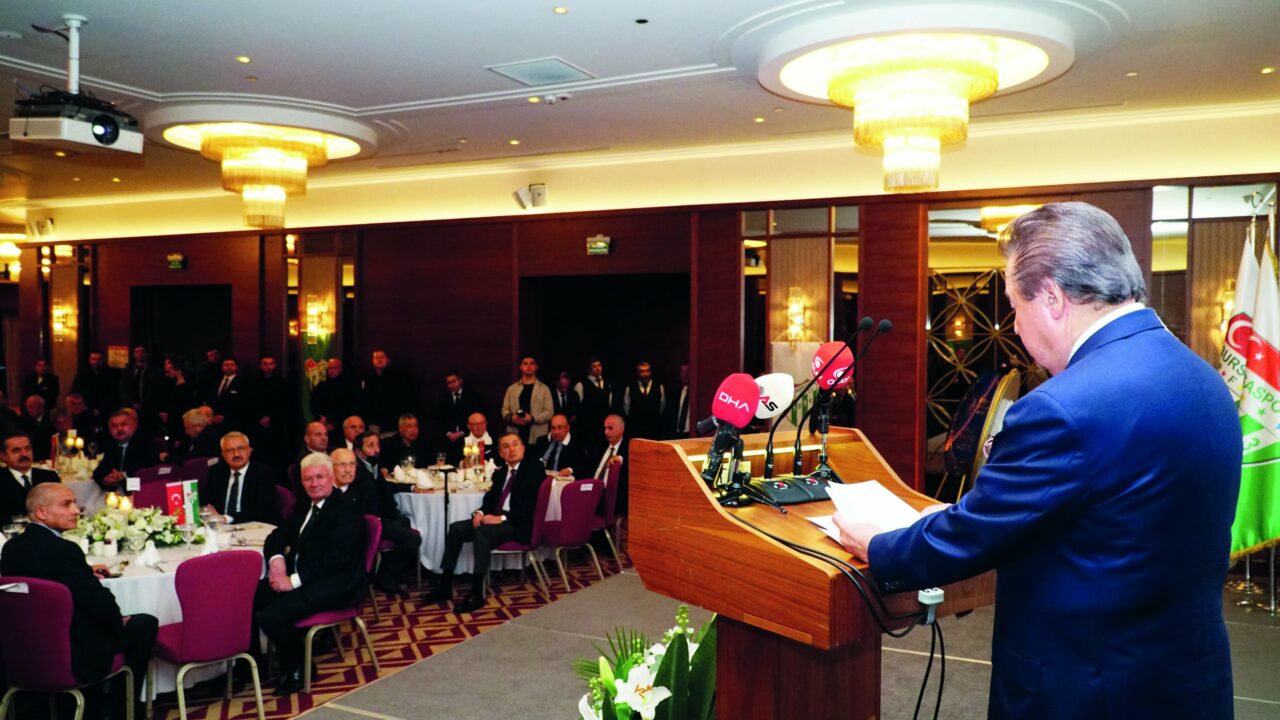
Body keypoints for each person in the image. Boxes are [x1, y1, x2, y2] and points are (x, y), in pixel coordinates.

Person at [833, 202, 1240, 720]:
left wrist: (878, 545)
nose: (1015, 326)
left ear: (1051, 297)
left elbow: (973, 536)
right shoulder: (1204, 380)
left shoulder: (1062, 408)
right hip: (1188, 683)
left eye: (1014, 306)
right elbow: (1110, 516)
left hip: (1086, 692)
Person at [1, 484, 158, 716]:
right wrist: (117, 620)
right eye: (66, 504)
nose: (76, 510)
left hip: (26, 650)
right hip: (72, 652)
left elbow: (41, 585)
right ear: (41, 512)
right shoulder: (65, 550)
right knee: (145, 623)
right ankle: (118, 711)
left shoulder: (12, 547)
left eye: (75, 503)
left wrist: (84, 573)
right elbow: (100, 604)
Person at [255, 453, 365, 695]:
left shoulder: (346, 510)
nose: (314, 484)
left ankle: (298, 669)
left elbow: (336, 561)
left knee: (273, 616)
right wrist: (276, 560)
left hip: (336, 584)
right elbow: (277, 535)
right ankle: (253, 666)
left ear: (332, 477)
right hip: (306, 577)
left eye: (320, 477)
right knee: (248, 599)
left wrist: (292, 581)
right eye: (308, 479)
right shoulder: (305, 504)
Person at [421, 432, 545, 613]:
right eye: (506, 447)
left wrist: (501, 518)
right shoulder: (501, 473)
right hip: (496, 520)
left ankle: (476, 592)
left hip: (517, 524)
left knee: (482, 532)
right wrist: (480, 513)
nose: (511, 450)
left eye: (515, 444)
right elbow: (490, 499)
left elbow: (530, 505)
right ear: (500, 453)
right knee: (456, 528)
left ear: (523, 447)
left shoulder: (534, 468)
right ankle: (445, 585)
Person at [333, 446, 419, 594]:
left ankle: (390, 571)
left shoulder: (359, 479)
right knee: (412, 538)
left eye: (352, 464)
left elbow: (381, 492)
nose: (348, 469)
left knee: (406, 523)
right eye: (342, 465)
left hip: (373, 520)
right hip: (357, 535)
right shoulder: (327, 492)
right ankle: (385, 573)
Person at [204, 432, 280, 525]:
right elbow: (206, 500)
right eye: (230, 450)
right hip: (221, 526)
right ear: (223, 454)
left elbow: (261, 510)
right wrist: (210, 511)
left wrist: (226, 518)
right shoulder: (216, 472)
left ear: (249, 450)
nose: (236, 454)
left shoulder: (264, 473)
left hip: (254, 525)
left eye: (241, 448)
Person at [92, 409, 161, 491]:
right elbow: (99, 471)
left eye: (124, 424)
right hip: (119, 492)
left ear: (134, 426)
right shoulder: (112, 445)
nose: (119, 429)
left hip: (143, 490)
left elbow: (146, 468)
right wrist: (105, 479)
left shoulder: (145, 442)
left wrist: (122, 476)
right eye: (114, 426)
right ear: (110, 430)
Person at [0, 432, 59, 519]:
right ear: (3, 456)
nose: (24, 454)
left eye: (27, 448)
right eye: (16, 450)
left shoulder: (49, 477)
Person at [501, 354, 553, 446]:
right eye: (525, 364)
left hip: (536, 436)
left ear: (536, 367)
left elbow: (549, 412)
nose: (529, 366)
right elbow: (504, 410)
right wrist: (512, 418)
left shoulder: (544, 389)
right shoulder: (512, 389)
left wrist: (532, 418)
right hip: (515, 435)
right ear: (520, 367)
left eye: (531, 363)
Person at [361, 350, 413, 434]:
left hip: (391, 424)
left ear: (388, 360)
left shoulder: (398, 378)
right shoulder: (368, 379)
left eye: (382, 357)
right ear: (372, 361)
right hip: (373, 424)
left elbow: (405, 400)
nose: (379, 360)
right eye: (376, 358)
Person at [437, 370, 483, 463]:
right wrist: (449, 433)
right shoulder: (443, 398)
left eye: (454, 381)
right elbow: (439, 419)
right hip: (448, 439)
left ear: (460, 381)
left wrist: (461, 432)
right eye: (449, 383)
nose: (451, 385)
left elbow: (475, 417)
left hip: (466, 437)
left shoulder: (472, 396)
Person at [574, 357, 616, 455]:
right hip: (588, 429)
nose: (598, 368)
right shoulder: (581, 385)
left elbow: (609, 404)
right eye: (594, 366)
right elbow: (577, 408)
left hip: (604, 429)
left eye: (599, 365)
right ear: (588, 369)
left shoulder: (607, 384)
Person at [589, 414, 629, 512]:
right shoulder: (601, 445)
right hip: (592, 489)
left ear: (621, 430)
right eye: (605, 428)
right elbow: (586, 464)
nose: (606, 432)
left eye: (610, 428)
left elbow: (629, 459)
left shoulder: (628, 448)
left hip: (609, 497)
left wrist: (620, 458)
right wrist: (570, 469)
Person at [310, 358, 360, 433]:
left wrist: (334, 423)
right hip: (322, 424)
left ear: (341, 369)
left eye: (334, 368)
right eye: (329, 368)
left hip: (340, 426)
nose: (331, 371)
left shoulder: (348, 387)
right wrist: (320, 418)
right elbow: (314, 404)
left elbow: (349, 408)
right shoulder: (321, 386)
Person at [622, 360, 665, 440]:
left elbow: (661, 408)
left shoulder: (659, 387)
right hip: (636, 431)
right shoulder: (630, 388)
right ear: (637, 373)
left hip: (654, 431)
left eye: (647, 371)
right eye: (642, 371)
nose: (645, 374)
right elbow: (626, 409)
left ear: (650, 372)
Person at [71, 350, 119, 421]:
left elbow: (113, 393)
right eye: (93, 359)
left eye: (99, 359)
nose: (96, 362)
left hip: (106, 411)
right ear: (89, 360)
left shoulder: (110, 374)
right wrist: (87, 408)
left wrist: (100, 409)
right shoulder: (83, 374)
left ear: (103, 360)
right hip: (85, 410)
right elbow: (76, 391)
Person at [211, 355, 251, 434]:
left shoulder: (243, 383)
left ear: (236, 367)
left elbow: (243, 404)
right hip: (215, 424)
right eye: (226, 365)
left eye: (232, 365)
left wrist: (226, 417)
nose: (229, 367)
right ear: (222, 367)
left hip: (234, 424)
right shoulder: (215, 381)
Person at [20, 394, 55, 462]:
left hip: (47, 457)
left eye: (31, 407)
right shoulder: (26, 420)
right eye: (27, 407)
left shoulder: (51, 419)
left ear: (41, 407)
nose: (28, 410)